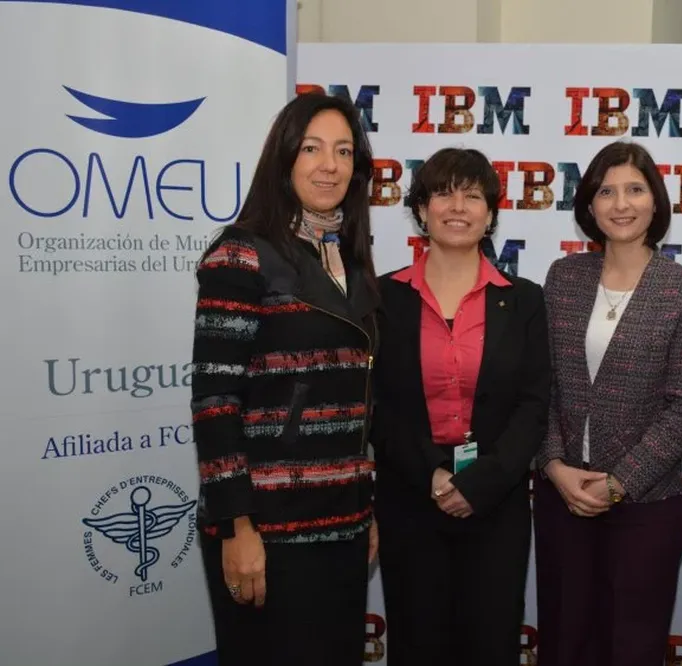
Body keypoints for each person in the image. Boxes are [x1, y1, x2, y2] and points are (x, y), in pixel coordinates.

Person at [189, 92, 380, 665]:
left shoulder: (350, 257)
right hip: (268, 529)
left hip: (343, 522)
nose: (330, 165)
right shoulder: (241, 254)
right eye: (313, 148)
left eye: (344, 151)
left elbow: (361, 400)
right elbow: (215, 398)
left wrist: (365, 510)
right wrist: (235, 525)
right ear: (284, 158)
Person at [534, 140, 682, 666]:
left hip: (642, 507)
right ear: (589, 206)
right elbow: (541, 386)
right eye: (606, 191)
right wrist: (552, 464)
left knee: (631, 650)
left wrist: (617, 483)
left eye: (634, 190)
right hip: (560, 498)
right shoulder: (562, 279)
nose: (620, 203)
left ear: (655, 202)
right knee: (564, 645)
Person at [370, 147, 549, 666]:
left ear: (490, 213)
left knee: (491, 642)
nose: (458, 206)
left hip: (496, 502)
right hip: (410, 498)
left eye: (473, 195)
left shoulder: (524, 300)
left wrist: (481, 483)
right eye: (443, 193)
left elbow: (534, 404)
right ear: (421, 208)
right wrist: (431, 475)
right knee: (417, 641)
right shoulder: (382, 298)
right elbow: (377, 403)